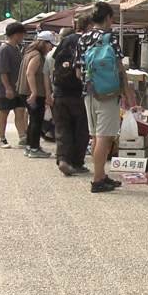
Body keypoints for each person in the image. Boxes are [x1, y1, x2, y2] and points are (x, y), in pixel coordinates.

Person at [78, 2, 136, 193]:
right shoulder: (110, 38)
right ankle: (97, 180)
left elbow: (78, 71)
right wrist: (127, 93)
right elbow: (120, 70)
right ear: (108, 18)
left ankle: (101, 174)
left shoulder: (82, 38)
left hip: (89, 92)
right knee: (106, 136)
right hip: (108, 94)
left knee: (95, 135)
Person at [52, 17, 91, 176]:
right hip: (79, 92)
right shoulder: (88, 41)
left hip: (61, 91)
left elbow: (55, 62)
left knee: (63, 127)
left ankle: (63, 159)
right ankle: (77, 162)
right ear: (89, 25)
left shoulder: (66, 40)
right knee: (81, 129)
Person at [18, 30, 58, 158]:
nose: (51, 47)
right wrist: (34, 92)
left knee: (33, 120)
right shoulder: (36, 55)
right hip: (33, 93)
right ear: (43, 43)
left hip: (26, 92)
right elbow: (30, 73)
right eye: (50, 44)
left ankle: (31, 146)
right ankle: (34, 148)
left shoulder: (28, 53)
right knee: (36, 120)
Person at [0, 22, 28, 149]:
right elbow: (2, 70)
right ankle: (2, 138)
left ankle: (22, 137)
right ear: (16, 34)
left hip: (18, 88)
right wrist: (8, 87)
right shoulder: (4, 49)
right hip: (5, 88)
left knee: (20, 111)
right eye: (21, 34)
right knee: (4, 112)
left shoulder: (16, 48)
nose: (23, 37)